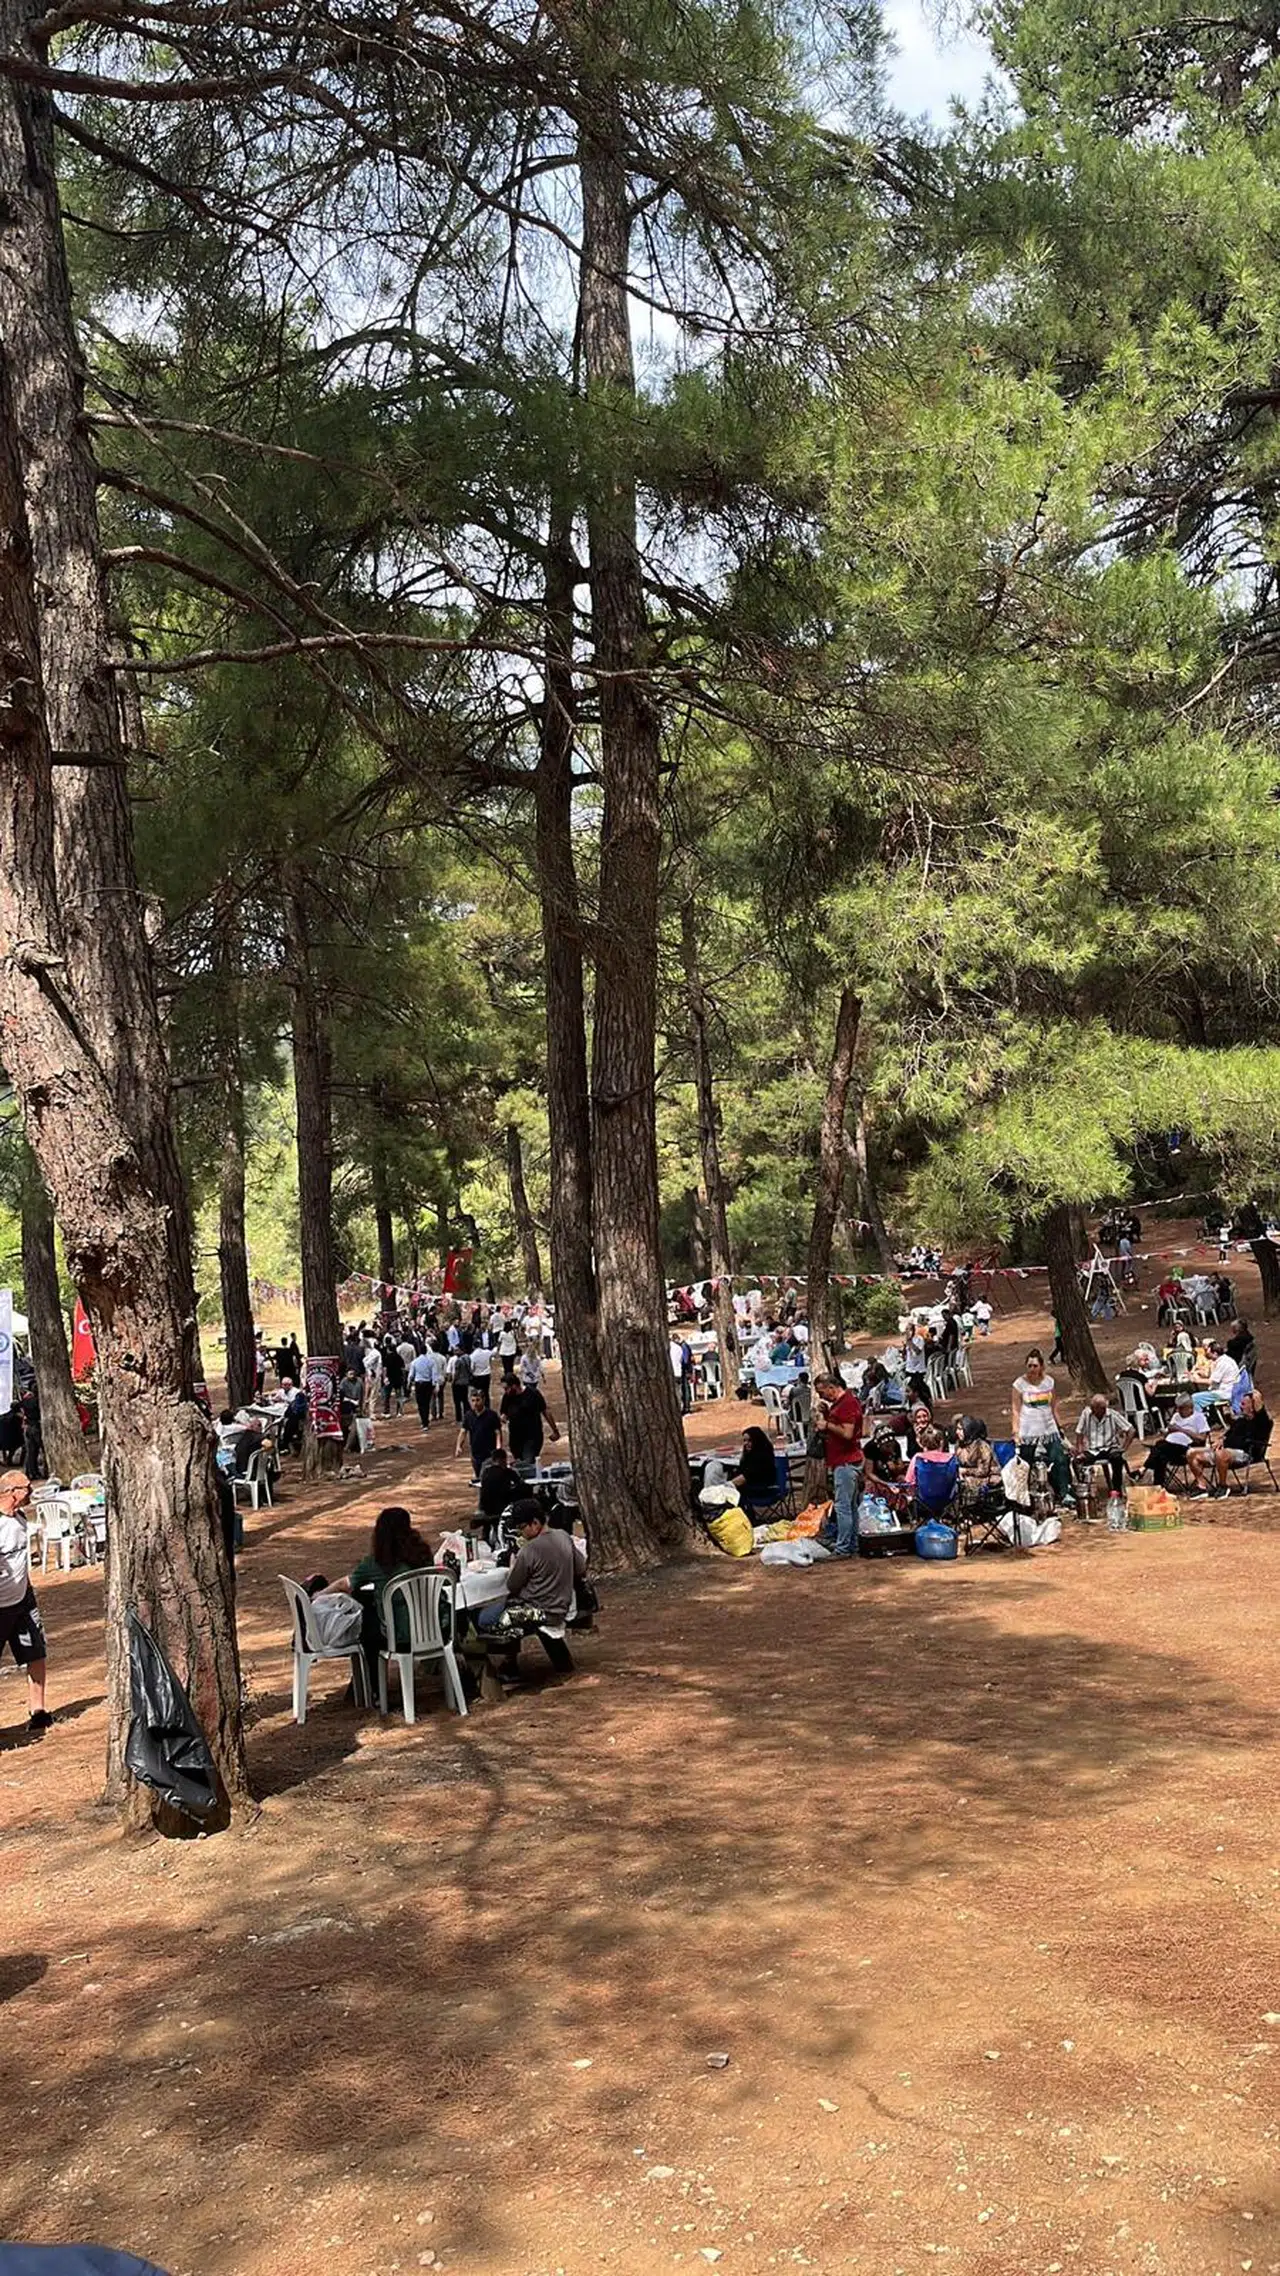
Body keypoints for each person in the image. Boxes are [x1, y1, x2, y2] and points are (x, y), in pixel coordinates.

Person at [474, 1497, 580, 1685]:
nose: (521, 1533)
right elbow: (580, 1567)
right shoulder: (564, 1536)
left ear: (535, 1523)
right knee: (505, 1609)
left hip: (536, 1612)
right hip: (560, 1606)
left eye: (522, 1527)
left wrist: (515, 1565)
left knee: (482, 1618)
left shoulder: (530, 1550)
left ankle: (506, 1666)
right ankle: (514, 1663)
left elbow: (512, 1585)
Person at [327, 1504, 435, 1672]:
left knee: (367, 1625)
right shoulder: (423, 1554)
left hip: (397, 1636)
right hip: (431, 1630)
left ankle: (373, 1687)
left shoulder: (376, 1562)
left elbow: (345, 1584)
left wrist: (320, 1593)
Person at [0, 1471, 52, 1733]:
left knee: (36, 1653)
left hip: (23, 1601)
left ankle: (39, 1711)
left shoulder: (20, 1518)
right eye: (27, 1488)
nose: (31, 1491)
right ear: (11, 1492)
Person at [1011, 1349, 1072, 1507]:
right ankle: (1022, 1497)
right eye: (1029, 1365)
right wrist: (1016, 1432)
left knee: (1059, 1459)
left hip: (1048, 1429)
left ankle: (1063, 1492)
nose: (1032, 1369)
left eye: (1035, 1365)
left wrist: (1060, 1427)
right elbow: (1015, 1409)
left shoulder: (1049, 1382)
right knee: (1025, 1464)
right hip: (1028, 1430)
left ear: (1041, 1366)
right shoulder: (1019, 1385)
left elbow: (1054, 1406)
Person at [814, 1372, 863, 1559]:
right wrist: (827, 1414)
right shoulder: (839, 1404)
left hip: (846, 1462)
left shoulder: (848, 1403)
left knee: (843, 1507)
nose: (821, 1396)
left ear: (831, 1388)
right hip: (842, 1460)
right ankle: (852, 1543)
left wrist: (826, 1425)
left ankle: (843, 1548)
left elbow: (847, 1433)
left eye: (822, 1392)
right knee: (850, 1507)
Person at [1188, 1392, 1273, 1497]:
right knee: (1192, 1454)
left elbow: (1260, 1407)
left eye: (1243, 1404)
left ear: (1252, 1407)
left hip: (1247, 1453)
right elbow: (1226, 1436)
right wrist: (1221, 1440)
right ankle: (1201, 1487)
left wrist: (1254, 1394)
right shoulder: (1240, 1421)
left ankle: (1223, 1486)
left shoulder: (1261, 1421)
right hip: (1226, 1451)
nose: (1240, 1407)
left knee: (1221, 1454)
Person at [1071, 1393, 1136, 1497]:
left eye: (1098, 1408)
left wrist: (1124, 1448)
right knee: (1077, 1461)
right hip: (1092, 1449)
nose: (1093, 1410)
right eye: (1093, 1408)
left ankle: (1116, 1489)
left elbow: (1131, 1430)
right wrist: (1080, 1449)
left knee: (1117, 1459)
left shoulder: (1112, 1414)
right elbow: (1079, 1432)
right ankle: (1084, 1489)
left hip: (1110, 1447)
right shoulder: (1086, 1414)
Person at [1141, 1392, 1211, 1486]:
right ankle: (1158, 1486)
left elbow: (1202, 1438)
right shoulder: (1176, 1416)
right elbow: (1167, 1435)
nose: (1178, 1410)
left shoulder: (1198, 1417)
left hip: (1187, 1449)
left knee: (1159, 1446)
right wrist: (1167, 1431)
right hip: (1170, 1447)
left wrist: (1181, 1430)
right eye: (1177, 1408)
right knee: (1161, 1456)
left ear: (1190, 1407)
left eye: (1181, 1408)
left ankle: (1143, 1470)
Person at [501, 1377, 560, 1468]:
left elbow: (545, 1411)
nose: (505, 1391)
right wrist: (503, 1417)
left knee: (528, 1463)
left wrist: (555, 1430)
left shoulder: (533, 1393)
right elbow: (504, 1412)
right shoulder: (507, 1397)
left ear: (514, 1386)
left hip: (532, 1437)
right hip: (515, 1438)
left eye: (506, 1388)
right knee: (520, 1465)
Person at [457, 1383, 503, 1473]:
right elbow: (463, 1431)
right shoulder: (468, 1415)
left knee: (487, 1476)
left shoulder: (492, 1415)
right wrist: (459, 1446)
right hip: (475, 1453)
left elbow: (498, 1432)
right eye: (473, 1401)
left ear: (483, 1400)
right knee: (478, 1476)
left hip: (490, 1453)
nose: (475, 1403)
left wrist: (498, 1448)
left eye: (478, 1400)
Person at [476, 1448, 526, 1523]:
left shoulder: (486, 1472)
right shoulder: (507, 1472)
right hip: (501, 1507)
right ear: (503, 1460)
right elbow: (521, 1483)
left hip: (486, 1507)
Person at [407, 1346, 440, 1432]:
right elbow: (434, 1374)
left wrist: (409, 1384)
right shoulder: (431, 1361)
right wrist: (434, 1384)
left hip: (419, 1384)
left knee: (420, 1404)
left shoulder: (415, 1362)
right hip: (427, 1384)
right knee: (427, 1403)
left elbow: (411, 1375)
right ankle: (426, 1421)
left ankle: (423, 1421)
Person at [277, 1380, 308, 1457]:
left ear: (291, 1385)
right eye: (283, 1385)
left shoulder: (297, 1393)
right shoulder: (281, 1391)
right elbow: (276, 1398)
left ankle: (285, 1446)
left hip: (294, 1417)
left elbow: (295, 1407)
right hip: (283, 1412)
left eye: (287, 1385)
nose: (285, 1386)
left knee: (288, 1426)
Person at [669, 1329, 693, 1415]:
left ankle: (681, 1408)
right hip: (679, 1371)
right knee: (679, 1391)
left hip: (675, 1372)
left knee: (679, 1391)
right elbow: (684, 1360)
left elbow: (685, 1360)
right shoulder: (679, 1348)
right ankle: (681, 1407)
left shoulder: (672, 1348)